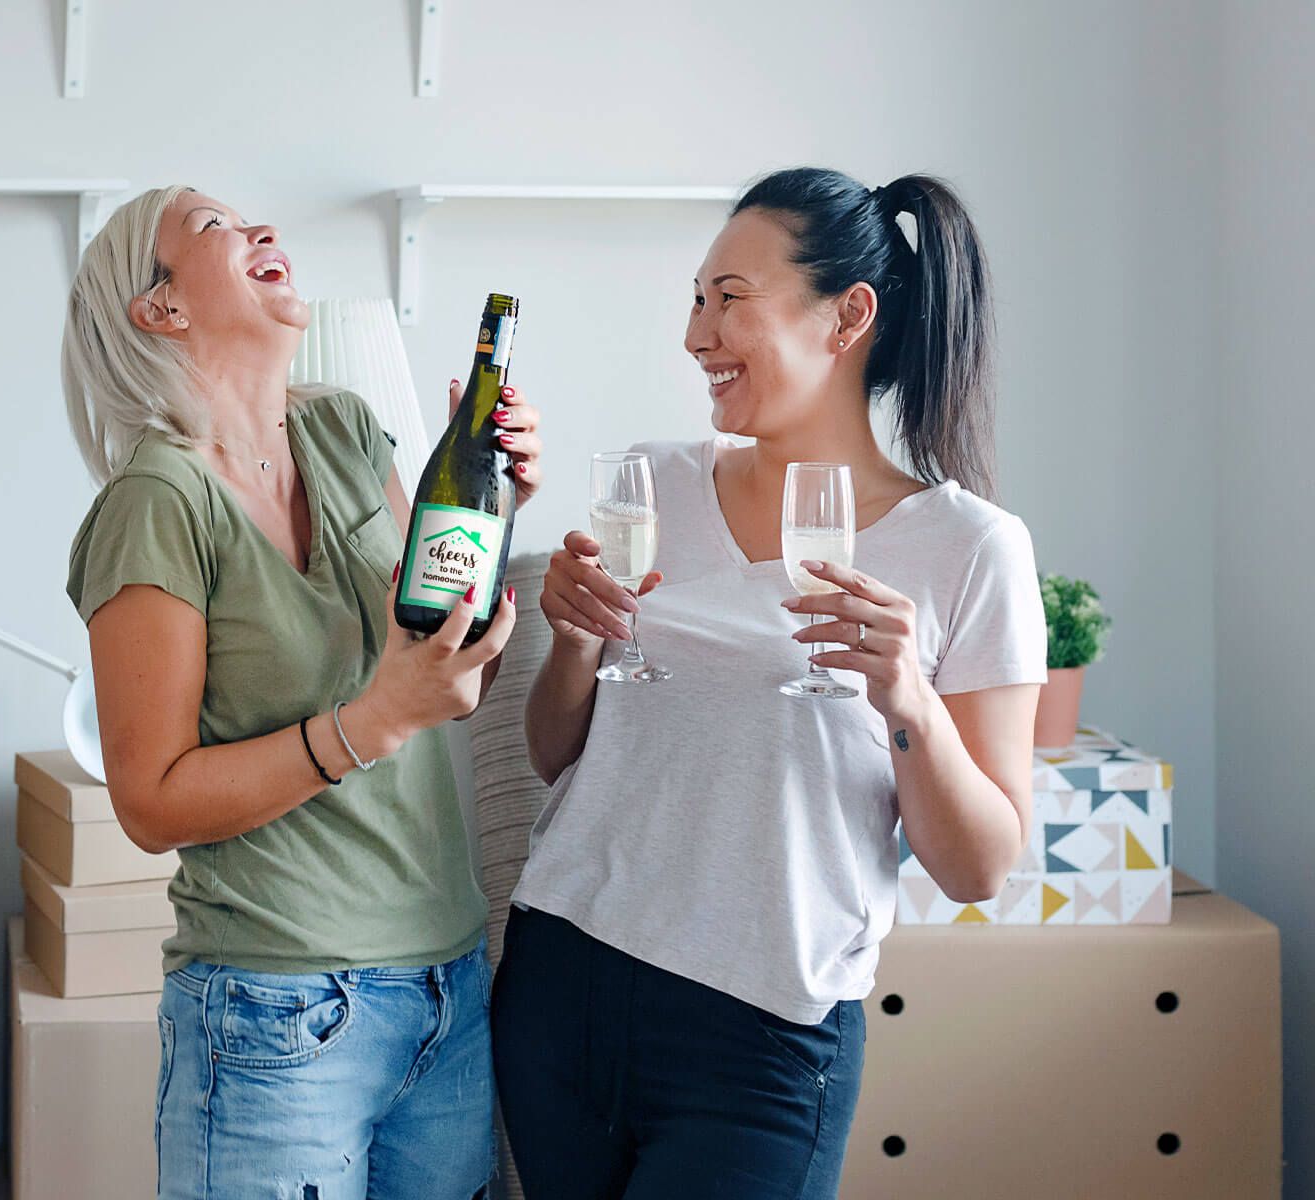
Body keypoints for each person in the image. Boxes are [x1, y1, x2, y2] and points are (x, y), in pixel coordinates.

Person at [493, 167, 1047, 1198]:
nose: (698, 335)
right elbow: (555, 756)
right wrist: (573, 640)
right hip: (563, 976)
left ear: (847, 318)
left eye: (729, 300)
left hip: (760, 1031)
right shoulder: (650, 484)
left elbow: (978, 868)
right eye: (695, 300)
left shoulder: (970, 549)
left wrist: (908, 702)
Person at [61, 185, 543, 1199]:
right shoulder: (156, 504)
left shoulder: (345, 431)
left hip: (443, 983)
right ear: (160, 309)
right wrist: (371, 724)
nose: (260, 230)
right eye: (212, 227)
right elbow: (148, 801)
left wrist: (493, 516)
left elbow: (445, 667)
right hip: (274, 1005)